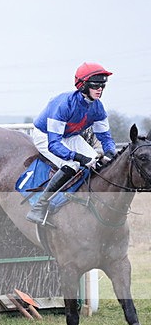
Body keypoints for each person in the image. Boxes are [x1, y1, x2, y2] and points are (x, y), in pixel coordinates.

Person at [26, 62, 118, 225]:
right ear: (83, 85)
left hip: (71, 135)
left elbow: (105, 137)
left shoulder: (98, 107)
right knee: (71, 165)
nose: (100, 89)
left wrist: (111, 152)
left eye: (102, 85)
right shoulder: (64, 105)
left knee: (96, 163)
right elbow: (54, 144)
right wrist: (78, 157)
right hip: (46, 135)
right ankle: (39, 207)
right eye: (95, 85)